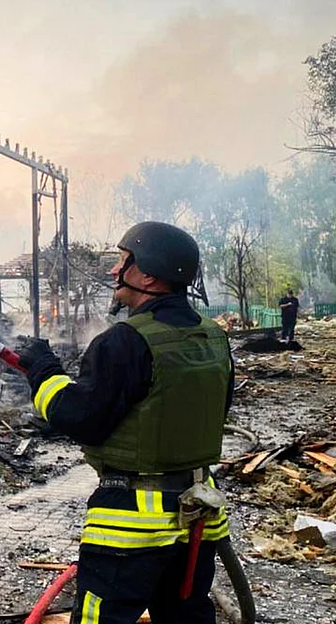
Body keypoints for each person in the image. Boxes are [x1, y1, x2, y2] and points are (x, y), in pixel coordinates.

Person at [16, 221, 233, 624]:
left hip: (131, 526)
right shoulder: (214, 338)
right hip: (198, 517)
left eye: (123, 262)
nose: (115, 272)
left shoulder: (126, 341)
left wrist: (43, 372)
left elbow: (82, 419)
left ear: (148, 272)